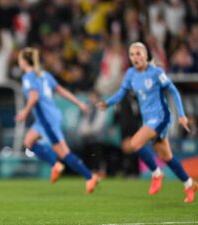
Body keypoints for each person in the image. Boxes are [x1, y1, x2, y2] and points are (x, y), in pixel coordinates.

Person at [97, 42, 198, 203]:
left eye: (138, 54)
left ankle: (157, 173)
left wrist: (182, 115)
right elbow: (121, 93)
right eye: (132, 54)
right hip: (148, 119)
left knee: (135, 142)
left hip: (161, 117)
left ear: (146, 55)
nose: (135, 57)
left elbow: (173, 90)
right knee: (167, 157)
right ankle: (189, 183)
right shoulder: (130, 74)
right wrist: (107, 103)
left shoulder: (156, 72)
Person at [15, 47, 98, 192]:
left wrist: (24, 112)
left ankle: (89, 177)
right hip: (46, 118)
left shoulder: (28, 77)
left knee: (64, 153)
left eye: (20, 60)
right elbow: (61, 90)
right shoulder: (44, 75)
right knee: (28, 141)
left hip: (47, 119)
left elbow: (34, 97)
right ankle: (55, 165)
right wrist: (78, 103)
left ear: (24, 61)